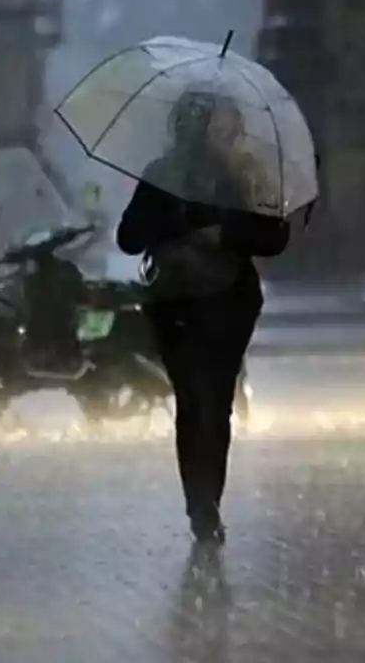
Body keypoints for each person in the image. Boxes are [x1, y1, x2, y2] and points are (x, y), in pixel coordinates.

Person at [117, 90, 290, 545]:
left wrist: (214, 232)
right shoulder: (235, 175)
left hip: (195, 302)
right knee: (210, 403)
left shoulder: (184, 174)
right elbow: (130, 237)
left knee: (198, 404)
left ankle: (202, 504)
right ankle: (204, 502)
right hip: (203, 300)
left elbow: (130, 238)